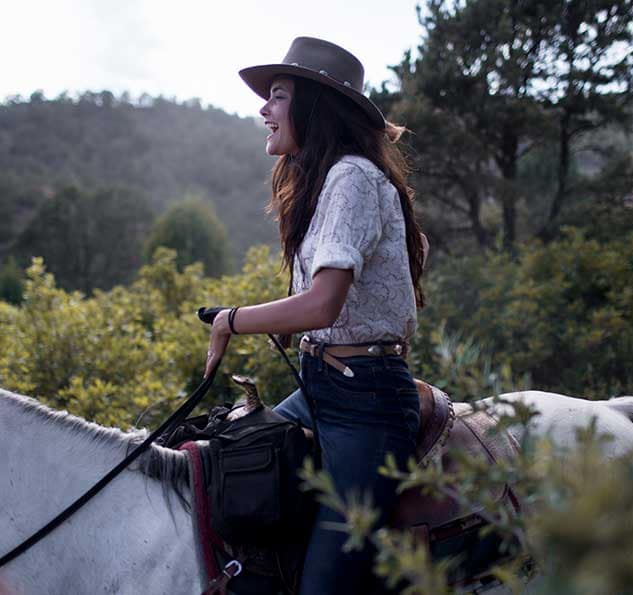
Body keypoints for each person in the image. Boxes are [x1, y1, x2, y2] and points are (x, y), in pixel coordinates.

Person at [203, 36, 428, 594]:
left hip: (366, 403)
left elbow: (322, 304)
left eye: (277, 95)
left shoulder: (352, 175)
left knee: (323, 586)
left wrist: (231, 319)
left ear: (315, 106)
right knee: (233, 485)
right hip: (323, 385)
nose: (264, 109)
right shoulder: (328, 180)